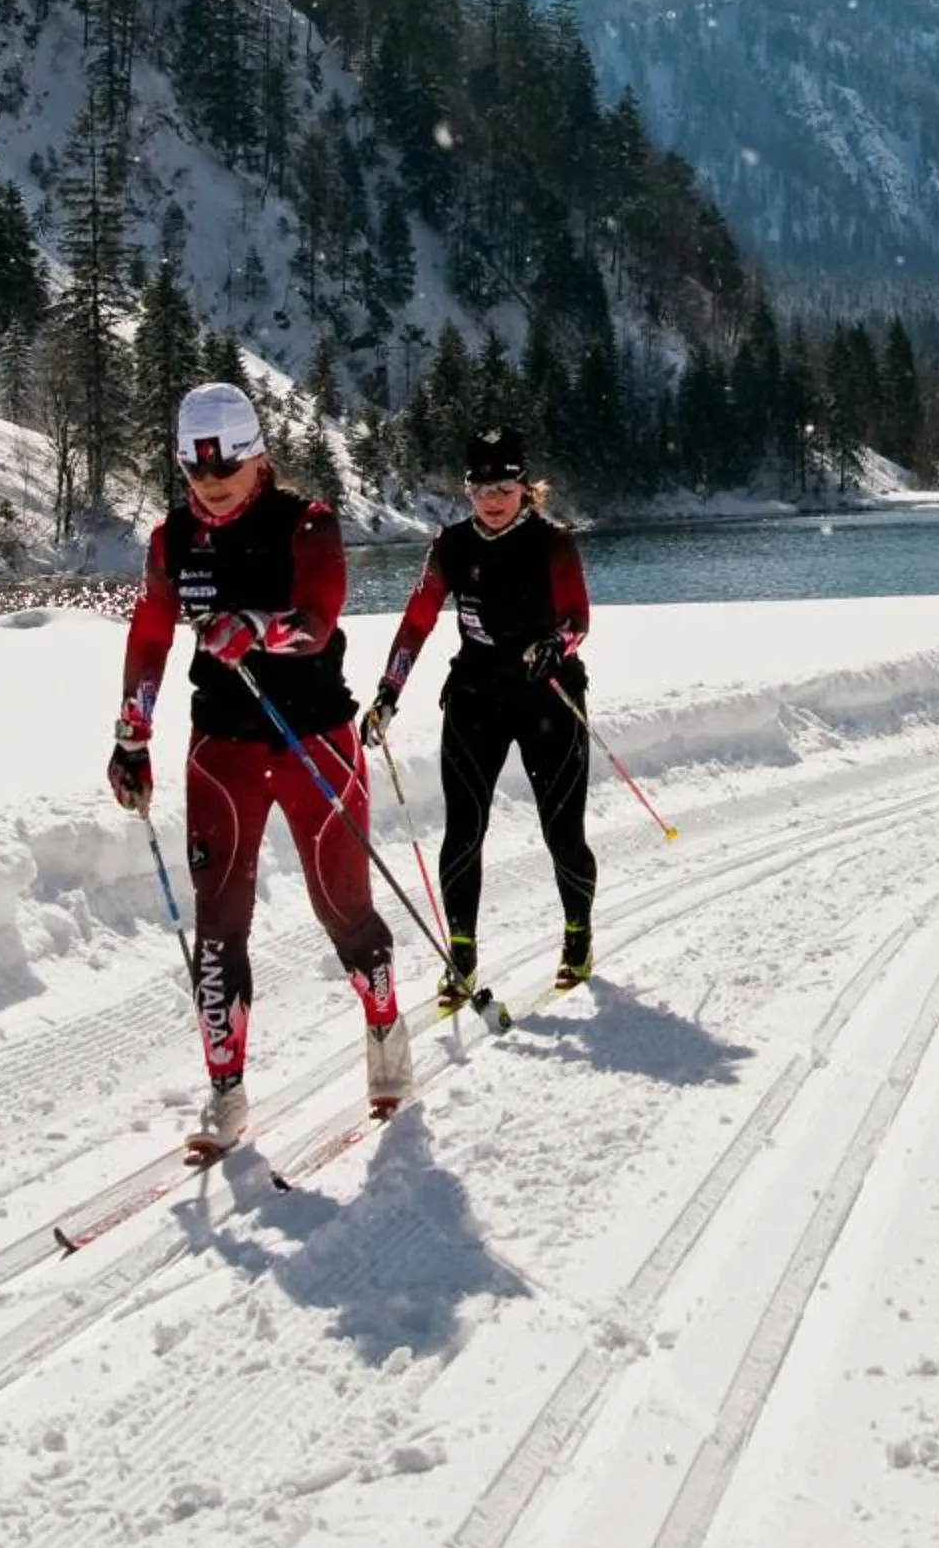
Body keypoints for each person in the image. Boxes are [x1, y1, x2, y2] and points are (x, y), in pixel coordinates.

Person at [107, 379, 411, 1150]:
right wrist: (132, 735)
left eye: (225, 471)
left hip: (313, 738)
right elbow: (149, 637)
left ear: (258, 460)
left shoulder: (307, 523)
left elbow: (317, 621)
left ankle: (383, 1027)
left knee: (341, 906)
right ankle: (226, 1092)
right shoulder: (172, 541)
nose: (210, 488)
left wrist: (257, 629)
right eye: (196, 475)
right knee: (219, 927)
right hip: (223, 751)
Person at [362, 426, 595, 1008]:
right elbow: (416, 621)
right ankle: (460, 956)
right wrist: (388, 692)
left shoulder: (554, 543)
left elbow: (578, 620)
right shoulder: (450, 545)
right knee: (463, 831)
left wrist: (556, 646)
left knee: (561, 832)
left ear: (524, 487)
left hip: (548, 698)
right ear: (467, 489)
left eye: (504, 485)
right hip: (475, 699)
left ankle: (577, 938)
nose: (492, 498)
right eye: (480, 486)